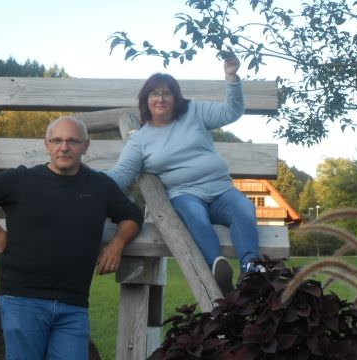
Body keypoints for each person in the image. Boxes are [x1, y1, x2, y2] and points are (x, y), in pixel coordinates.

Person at [0, 116, 143, 360]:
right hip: (23, 299)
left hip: (74, 303)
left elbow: (132, 216)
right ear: (46, 144)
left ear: (85, 146)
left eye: (72, 141)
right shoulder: (21, 180)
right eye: (57, 140)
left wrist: (116, 245)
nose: (64, 147)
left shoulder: (100, 185)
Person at [106, 56, 264, 295]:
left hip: (220, 189)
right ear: (145, 100)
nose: (160, 99)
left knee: (244, 209)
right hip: (185, 194)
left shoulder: (194, 111)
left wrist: (231, 78)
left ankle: (250, 268)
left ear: (176, 98)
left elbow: (231, 111)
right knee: (194, 216)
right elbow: (124, 173)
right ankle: (217, 267)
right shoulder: (140, 139)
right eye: (154, 94)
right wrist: (92, 185)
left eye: (167, 93)